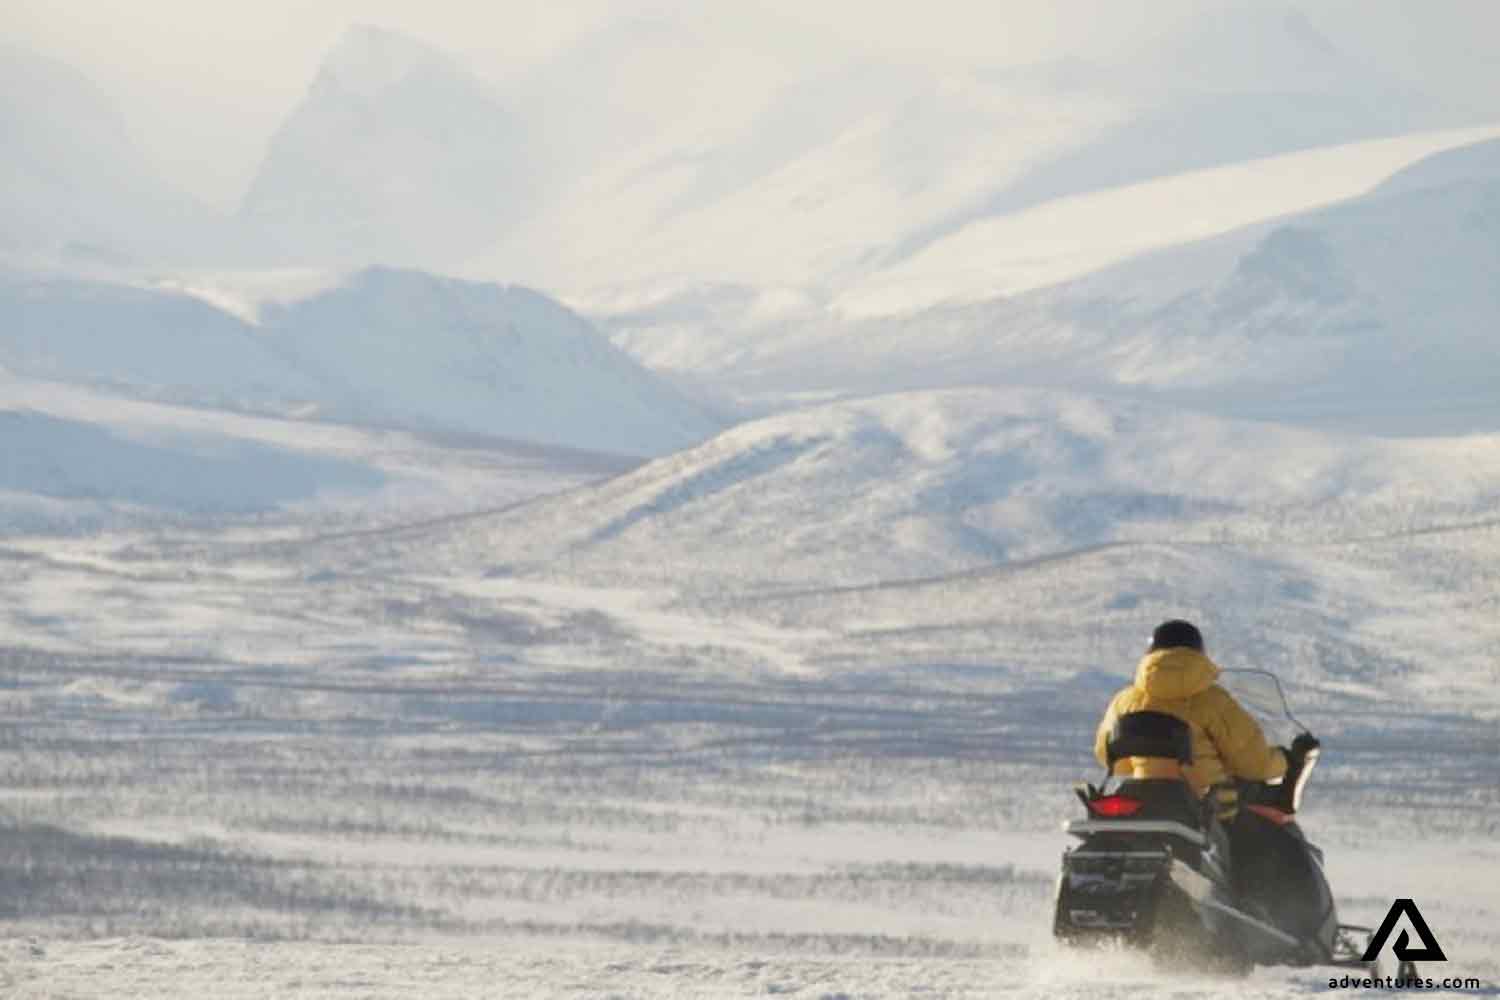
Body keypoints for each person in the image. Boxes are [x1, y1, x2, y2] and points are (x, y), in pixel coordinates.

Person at [1094, 619, 1288, 821]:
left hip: (1140, 803)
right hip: (1206, 808)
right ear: (1198, 653)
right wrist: (1285, 761)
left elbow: (1108, 757)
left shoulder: (1125, 701)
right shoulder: (1213, 700)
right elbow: (1254, 763)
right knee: (1263, 828)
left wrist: (1149, 765)